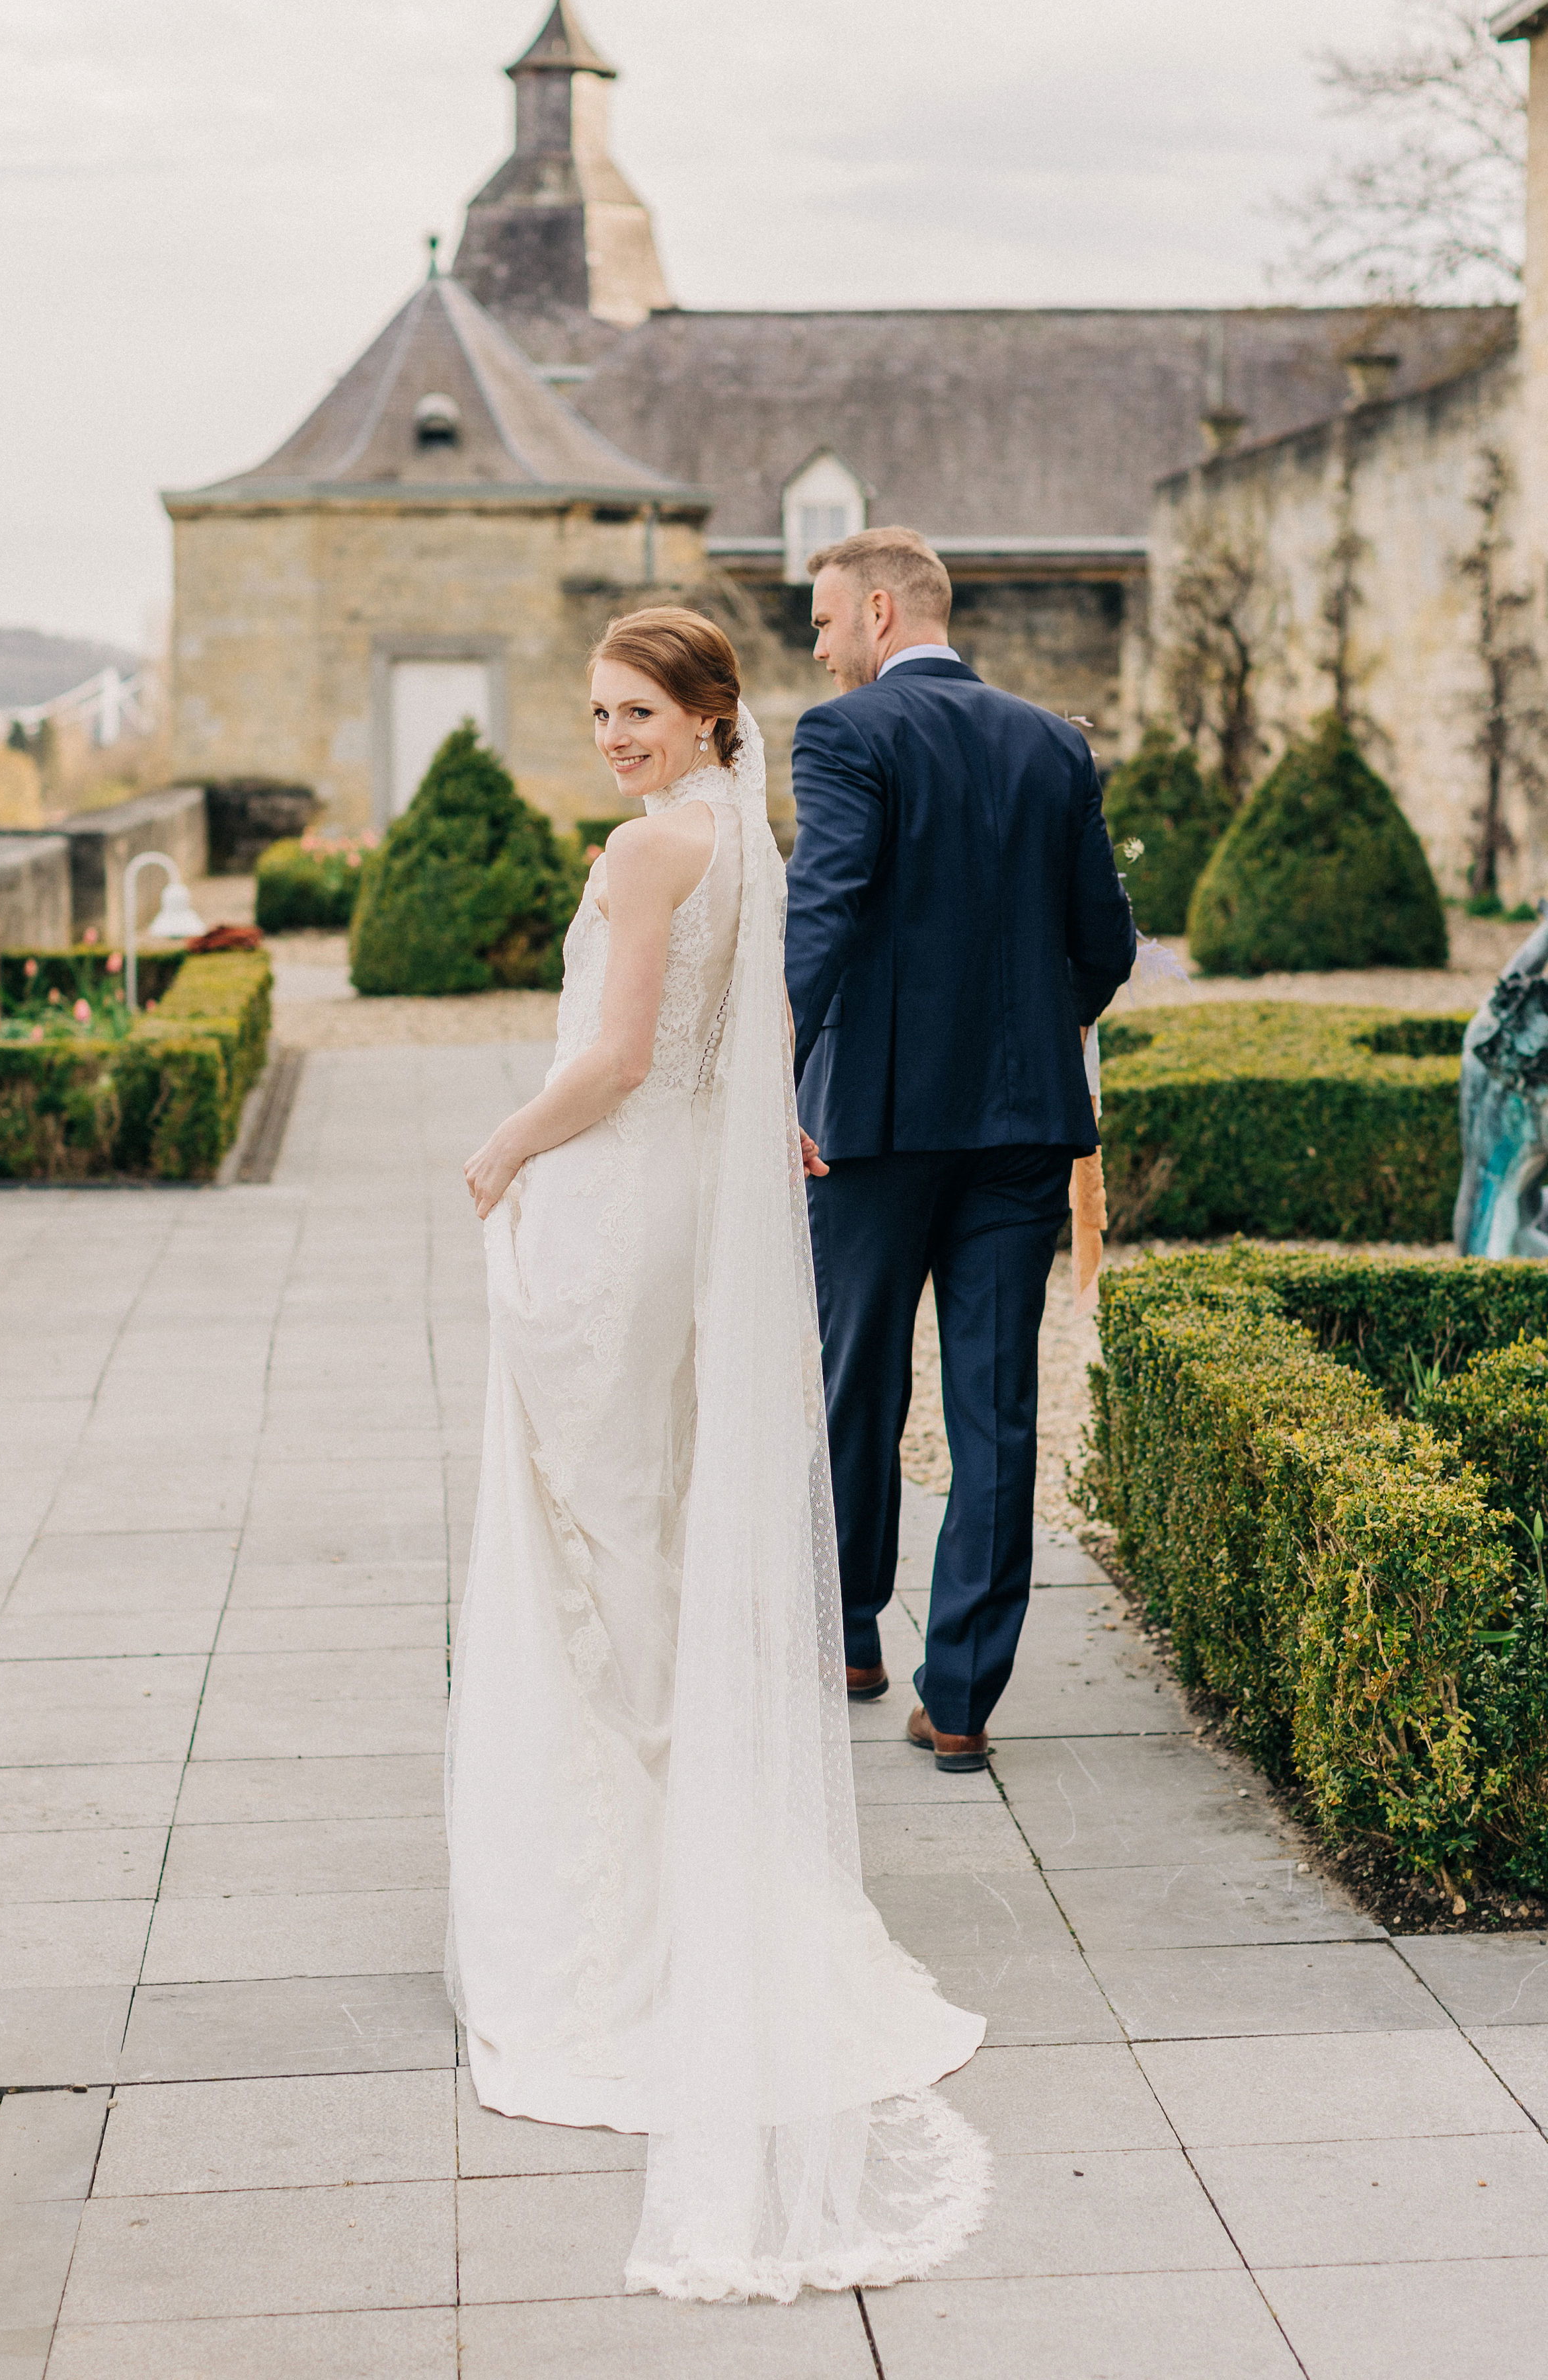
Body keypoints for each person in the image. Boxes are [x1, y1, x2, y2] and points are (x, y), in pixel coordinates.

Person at [449, 606, 991, 2305]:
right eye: (599, 712)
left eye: (638, 711)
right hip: (691, 1205)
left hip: (621, 1203)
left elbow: (614, 1060)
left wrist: (500, 1146)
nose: (613, 735)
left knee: (600, 1531)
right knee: (652, 1525)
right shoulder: (747, 839)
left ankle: (626, 1905)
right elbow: (744, 1047)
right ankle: (695, 1862)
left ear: (705, 715)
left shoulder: (647, 850)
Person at [786, 528, 1137, 1773]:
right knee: (996, 1409)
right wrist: (1036, 1033)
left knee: (856, 1384)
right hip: (1021, 1124)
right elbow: (1105, 944)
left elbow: (822, 909)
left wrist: (772, 1073)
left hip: (872, 1127)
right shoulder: (1054, 743)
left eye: (824, 620)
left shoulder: (845, 734)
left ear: (880, 612)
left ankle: (848, 1640)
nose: (817, 647)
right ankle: (965, 1700)